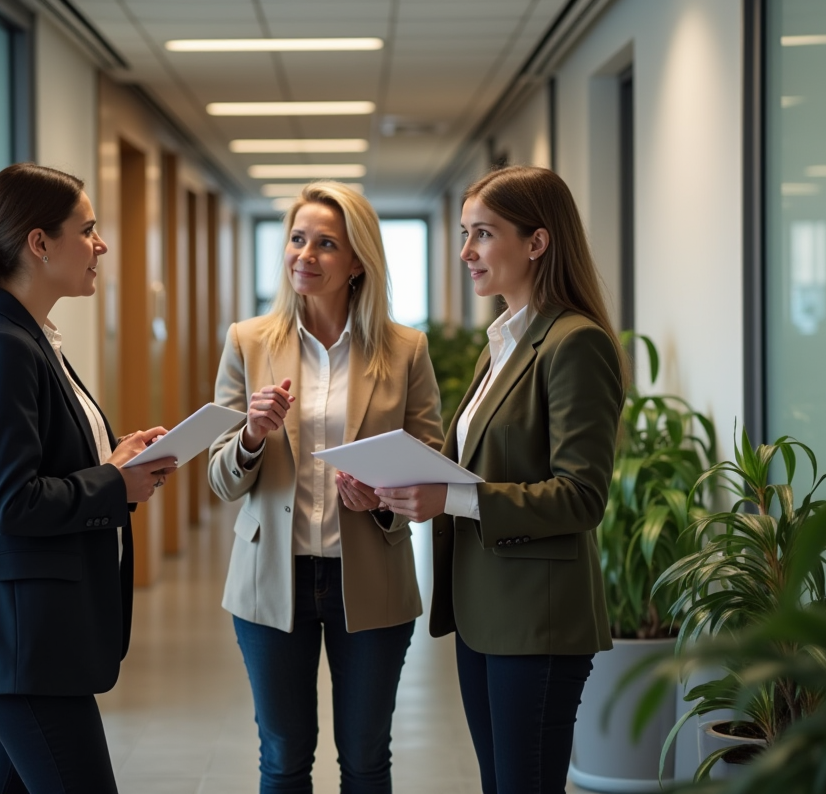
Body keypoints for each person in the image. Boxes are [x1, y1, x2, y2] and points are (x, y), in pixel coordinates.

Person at [373, 165, 626, 794]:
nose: (465, 253)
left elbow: (582, 494)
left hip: (537, 621)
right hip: (486, 612)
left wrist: (450, 496)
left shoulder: (574, 343)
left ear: (536, 242)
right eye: (465, 234)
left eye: (482, 235)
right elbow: (484, 464)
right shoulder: (503, 344)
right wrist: (403, 486)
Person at [0, 162, 176, 793]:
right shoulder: (0, 348)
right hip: (21, 641)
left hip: (34, 638)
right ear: (40, 243)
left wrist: (119, 462)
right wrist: (116, 486)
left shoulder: (30, 338)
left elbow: (42, 474)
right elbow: (13, 502)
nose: (101, 245)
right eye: (87, 229)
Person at [208, 181, 444, 794]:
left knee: (366, 756)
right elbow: (219, 477)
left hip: (368, 575)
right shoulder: (248, 341)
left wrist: (385, 502)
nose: (304, 256)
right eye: (296, 239)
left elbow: (430, 460)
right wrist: (251, 437)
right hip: (271, 575)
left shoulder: (404, 349)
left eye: (326, 244)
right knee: (283, 755)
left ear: (358, 262)